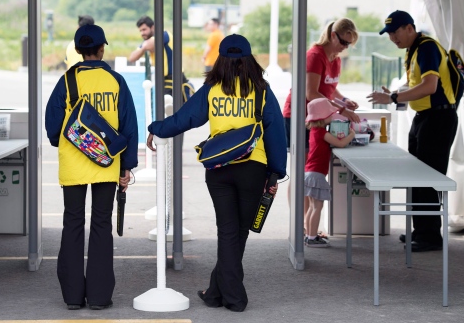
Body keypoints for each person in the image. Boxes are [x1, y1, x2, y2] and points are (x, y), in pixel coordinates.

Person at [146, 35, 287, 312]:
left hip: (218, 168)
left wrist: (157, 128)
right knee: (238, 232)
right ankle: (235, 298)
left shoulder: (212, 88)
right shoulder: (261, 90)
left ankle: (215, 292)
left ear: (220, 58)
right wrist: (276, 173)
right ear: (249, 58)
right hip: (253, 169)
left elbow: (186, 118)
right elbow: (275, 133)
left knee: (227, 232)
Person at [45, 24, 138, 310]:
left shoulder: (67, 80)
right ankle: (98, 297)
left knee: (72, 223)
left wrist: (67, 143)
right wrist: (126, 166)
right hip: (106, 165)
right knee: (101, 224)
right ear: (101, 49)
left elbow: (51, 125)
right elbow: (128, 126)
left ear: (77, 51)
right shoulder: (116, 81)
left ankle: (73, 297)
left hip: (73, 165)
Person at [368, 10, 458, 252]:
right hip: (423, 118)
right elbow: (415, 86)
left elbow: (430, 86)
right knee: (416, 177)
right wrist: (396, 93)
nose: (392, 38)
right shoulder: (413, 50)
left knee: (428, 178)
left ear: (409, 28)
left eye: (395, 32)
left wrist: (393, 96)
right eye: (389, 34)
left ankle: (430, 236)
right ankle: (420, 231)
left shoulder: (427, 47)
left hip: (438, 118)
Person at [282, 18, 360, 238]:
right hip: (300, 116)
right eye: (344, 42)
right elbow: (311, 93)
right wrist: (341, 110)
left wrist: (344, 101)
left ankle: (309, 228)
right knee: (303, 173)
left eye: (349, 45)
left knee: (308, 173)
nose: (345, 48)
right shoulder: (315, 56)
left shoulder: (335, 58)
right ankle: (299, 225)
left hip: (317, 117)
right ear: (333, 36)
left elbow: (331, 90)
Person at [303, 98, 355, 247]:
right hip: (316, 174)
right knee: (317, 207)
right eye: (330, 114)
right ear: (322, 117)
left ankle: (309, 235)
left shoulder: (314, 131)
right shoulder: (321, 133)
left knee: (312, 207)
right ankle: (312, 238)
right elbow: (340, 143)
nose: (332, 116)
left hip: (310, 172)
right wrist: (351, 134)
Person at [128, 15, 194, 101]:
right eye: (140, 31)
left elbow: (151, 44)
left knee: (169, 106)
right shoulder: (146, 42)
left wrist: (143, 48)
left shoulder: (164, 34)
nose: (142, 33)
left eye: (144, 29)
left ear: (153, 27)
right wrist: (144, 48)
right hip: (163, 81)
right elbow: (132, 58)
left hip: (174, 79)